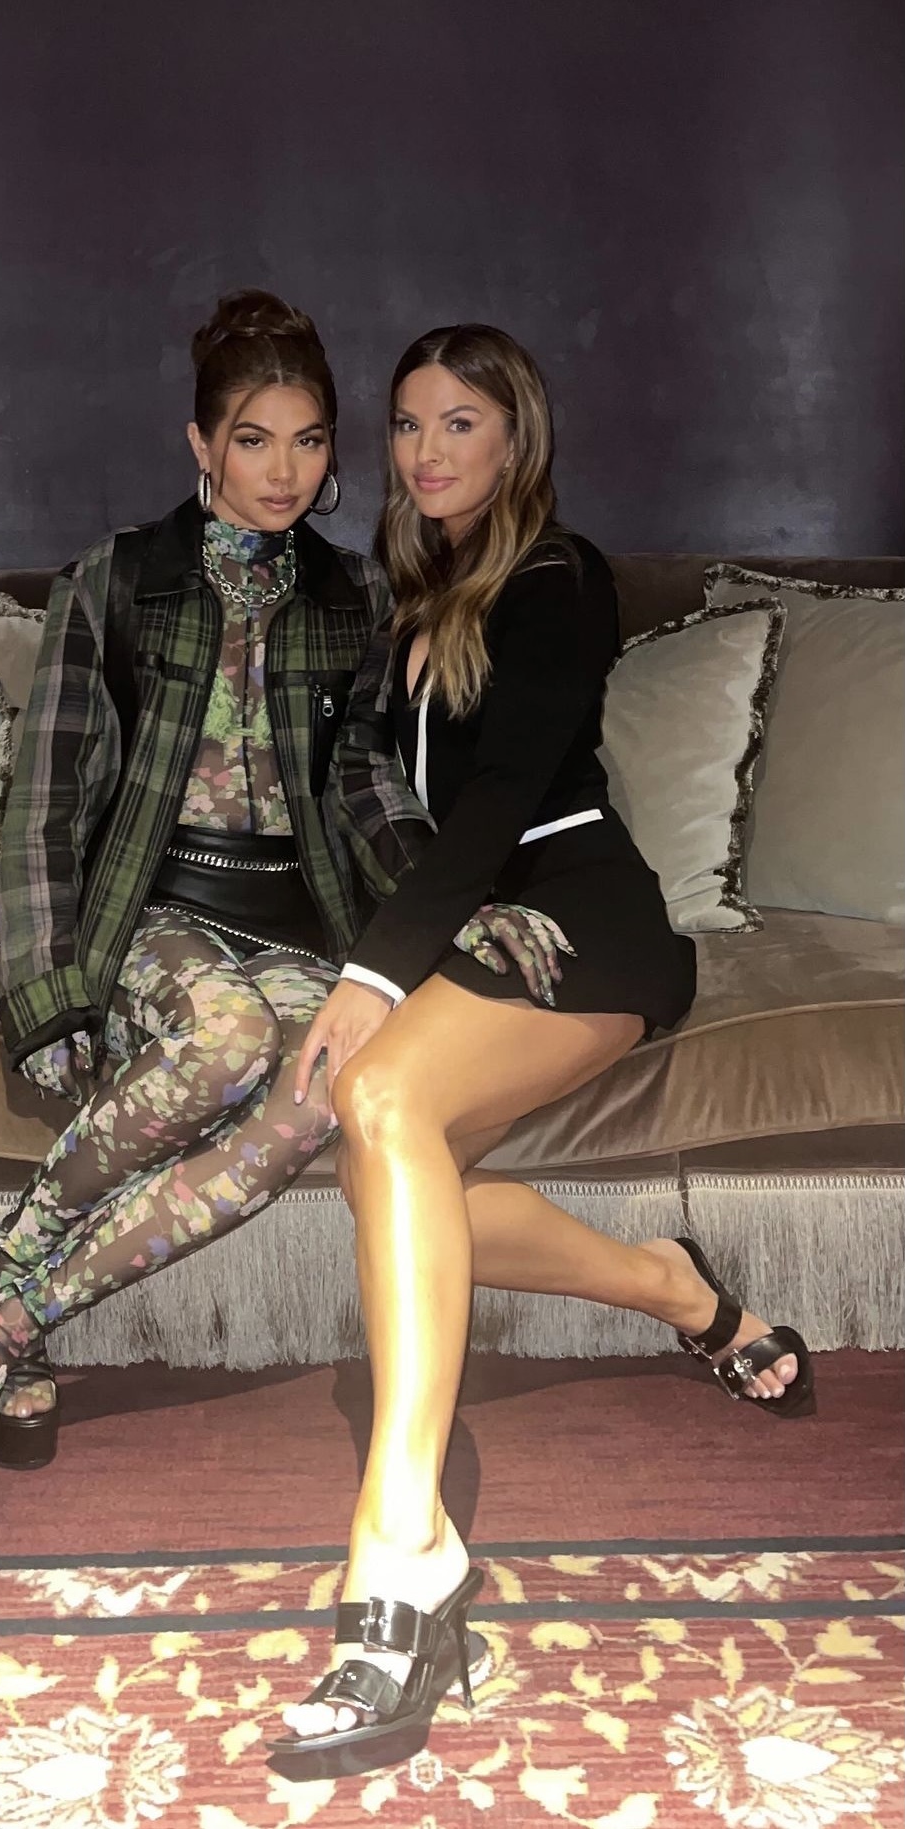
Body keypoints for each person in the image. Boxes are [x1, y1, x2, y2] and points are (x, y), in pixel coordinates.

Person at [0, 291, 558, 1534]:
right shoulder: (118, 579)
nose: (282, 471)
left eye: (307, 442)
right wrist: (47, 989)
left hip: (292, 920)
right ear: (200, 444)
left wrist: (455, 902)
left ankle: (0, 1314)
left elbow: (364, 785)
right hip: (151, 903)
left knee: (319, 1086)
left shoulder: (353, 594)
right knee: (229, 1038)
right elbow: (44, 801)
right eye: (252, 441)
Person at [272, 324, 815, 1777]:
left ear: (514, 435)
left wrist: (370, 975)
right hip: (480, 924)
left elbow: (505, 793)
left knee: (379, 1094)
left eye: (459, 421)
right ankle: (671, 1284)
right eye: (406, 424)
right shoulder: (407, 596)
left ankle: (399, 1545)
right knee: (380, 1162)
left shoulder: (557, 576)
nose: (425, 450)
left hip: (581, 913)